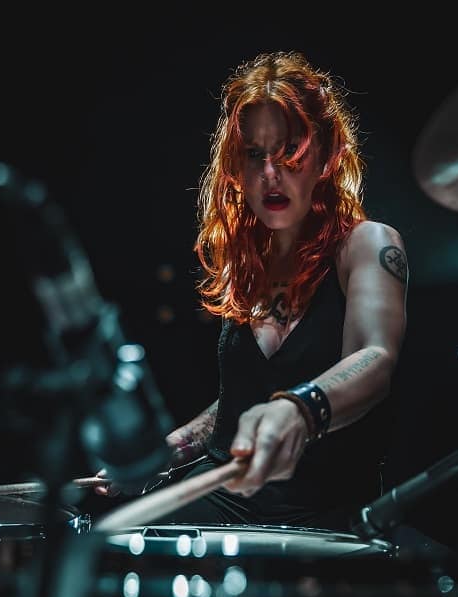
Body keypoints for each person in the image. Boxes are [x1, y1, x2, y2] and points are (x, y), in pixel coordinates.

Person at [94, 50, 409, 533]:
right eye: (255, 155)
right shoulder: (246, 264)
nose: (269, 174)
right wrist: (175, 447)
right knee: (108, 550)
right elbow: (243, 402)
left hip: (327, 511)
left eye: (289, 151)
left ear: (328, 156)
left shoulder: (367, 244)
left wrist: (301, 408)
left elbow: (375, 357)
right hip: (228, 500)